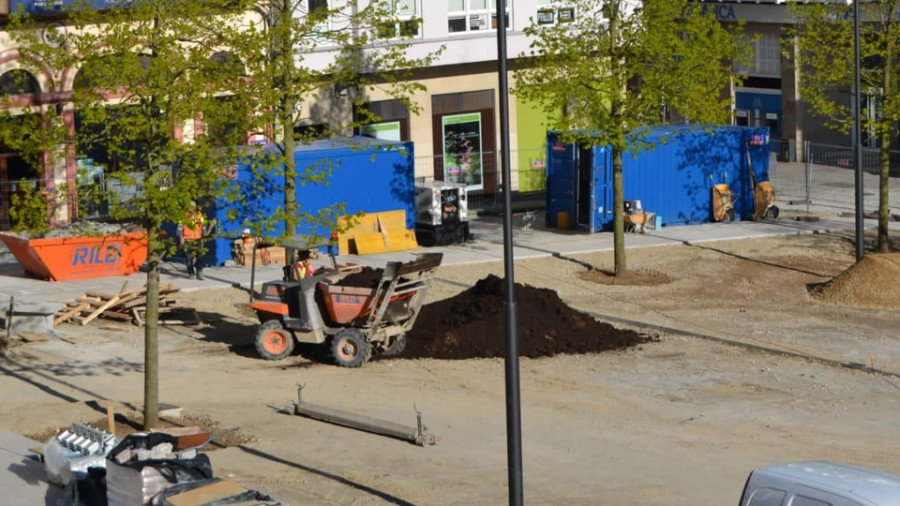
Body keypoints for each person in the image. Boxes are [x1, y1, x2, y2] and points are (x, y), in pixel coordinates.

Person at [177, 200, 216, 280]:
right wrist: (181, 238)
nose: (192, 208)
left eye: (193, 206)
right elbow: (179, 229)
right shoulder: (184, 216)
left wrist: (208, 229)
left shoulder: (199, 215)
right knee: (189, 258)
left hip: (198, 240)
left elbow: (203, 227)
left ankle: (199, 273)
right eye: (190, 206)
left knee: (200, 257)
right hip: (188, 240)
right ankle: (191, 273)